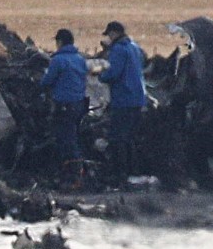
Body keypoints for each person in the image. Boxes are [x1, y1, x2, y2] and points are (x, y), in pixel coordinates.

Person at [96, 20, 146, 183]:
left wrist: (100, 75)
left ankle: (121, 173)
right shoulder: (134, 47)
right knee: (131, 136)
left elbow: (113, 73)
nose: (109, 37)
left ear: (115, 33)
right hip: (138, 98)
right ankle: (134, 171)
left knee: (118, 137)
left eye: (109, 34)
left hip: (124, 98)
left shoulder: (118, 49)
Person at [40, 28, 88, 186]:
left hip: (64, 105)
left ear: (60, 42)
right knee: (73, 135)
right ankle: (74, 173)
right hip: (80, 104)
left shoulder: (58, 60)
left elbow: (47, 81)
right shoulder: (80, 59)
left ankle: (74, 176)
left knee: (66, 139)